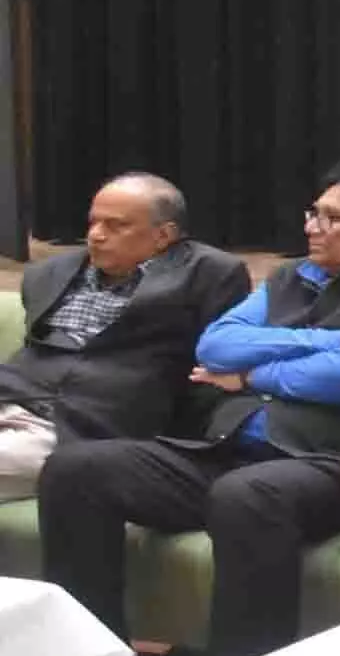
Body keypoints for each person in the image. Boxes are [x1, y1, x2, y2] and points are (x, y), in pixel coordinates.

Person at [38, 158, 340, 656]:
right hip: (227, 447)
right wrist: (330, 342)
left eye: (332, 219)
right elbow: (217, 345)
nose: (312, 227)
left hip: (332, 461)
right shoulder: (291, 277)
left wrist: (249, 376)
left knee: (248, 495)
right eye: (313, 213)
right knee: (77, 470)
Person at [0, 173, 249, 499]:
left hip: (77, 428)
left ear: (163, 235)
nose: (96, 235)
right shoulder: (50, 272)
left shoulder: (207, 274)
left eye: (116, 226)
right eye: (93, 222)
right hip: (11, 398)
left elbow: (218, 361)